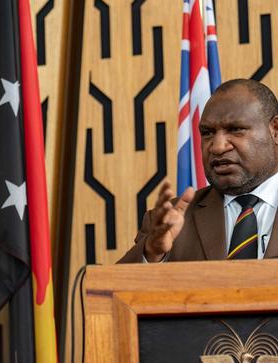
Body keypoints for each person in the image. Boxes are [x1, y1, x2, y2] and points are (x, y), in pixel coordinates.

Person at [119, 78, 278, 263]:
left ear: (275, 130)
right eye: (207, 133)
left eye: (235, 129)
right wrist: (152, 253)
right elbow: (114, 289)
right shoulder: (170, 223)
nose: (217, 147)